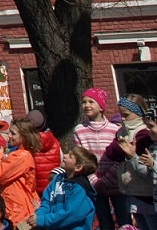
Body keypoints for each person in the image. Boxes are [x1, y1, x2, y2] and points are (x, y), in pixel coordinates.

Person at [71, 88, 124, 230]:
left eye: (91, 102)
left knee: (124, 221)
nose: (87, 105)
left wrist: (106, 180)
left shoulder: (115, 130)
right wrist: (94, 180)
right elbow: (81, 158)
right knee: (104, 222)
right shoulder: (79, 130)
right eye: (84, 102)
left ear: (101, 107)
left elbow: (120, 158)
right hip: (94, 185)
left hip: (116, 183)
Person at [113, 94, 155, 230]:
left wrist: (131, 155)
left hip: (147, 194)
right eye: (121, 115)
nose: (123, 119)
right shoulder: (121, 132)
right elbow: (112, 153)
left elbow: (145, 172)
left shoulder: (144, 134)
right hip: (131, 191)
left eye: (126, 115)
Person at [0, 119, 40, 227]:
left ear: (24, 137)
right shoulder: (19, 154)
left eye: (13, 133)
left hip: (20, 209)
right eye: (9, 132)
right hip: (15, 206)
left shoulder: (22, 156)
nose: (9, 136)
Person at [32, 145, 96, 230]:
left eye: (70, 156)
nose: (65, 156)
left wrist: (42, 220)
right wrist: (38, 215)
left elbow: (70, 214)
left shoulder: (80, 189)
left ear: (78, 167)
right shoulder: (57, 179)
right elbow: (46, 201)